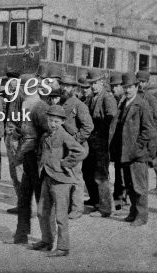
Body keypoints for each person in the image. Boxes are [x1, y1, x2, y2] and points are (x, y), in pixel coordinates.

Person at [31, 105, 86, 257]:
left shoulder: (63, 135)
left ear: (62, 122)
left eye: (56, 121)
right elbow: (42, 153)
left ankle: (63, 247)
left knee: (61, 215)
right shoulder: (45, 135)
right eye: (50, 120)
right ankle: (47, 241)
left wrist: (66, 163)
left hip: (61, 179)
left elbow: (80, 151)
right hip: (47, 177)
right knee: (42, 211)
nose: (52, 124)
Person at [6, 75, 49, 245]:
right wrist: (18, 132)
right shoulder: (26, 104)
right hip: (28, 159)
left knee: (41, 201)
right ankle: (21, 235)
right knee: (23, 198)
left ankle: (47, 239)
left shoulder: (40, 107)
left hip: (37, 161)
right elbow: (29, 130)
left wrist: (42, 156)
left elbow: (48, 133)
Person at [109, 73, 154, 226]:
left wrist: (137, 147)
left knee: (139, 187)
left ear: (136, 87)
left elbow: (149, 130)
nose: (127, 90)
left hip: (136, 154)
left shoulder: (141, 104)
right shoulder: (124, 103)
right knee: (130, 185)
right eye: (125, 87)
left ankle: (142, 216)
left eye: (130, 87)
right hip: (125, 154)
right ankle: (134, 212)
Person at [83, 69, 117, 217]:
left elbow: (112, 120)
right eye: (91, 83)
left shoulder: (107, 98)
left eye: (95, 83)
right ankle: (95, 200)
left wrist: (105, 139)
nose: (93, 86)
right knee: (87, 171)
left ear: (102, 83)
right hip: (91, 141)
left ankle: (105, 208)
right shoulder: (91, 97)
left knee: (101, 175)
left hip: (102, 142)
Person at [59, 74, 93, 220]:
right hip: (63, 147)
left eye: (68, 86)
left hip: (76, 148)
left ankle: (77, 208)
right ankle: (66, 207)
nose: (64, 88)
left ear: (73, 88)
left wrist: (75, 141)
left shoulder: (79, 105)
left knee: (76, 178)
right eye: (63, 85)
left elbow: (88, 127)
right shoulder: (61, 103)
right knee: (65, 176)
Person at [3, 71, 26, 214]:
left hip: (16, 138)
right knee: (13, 172)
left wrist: (17, 132)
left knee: (19, 172)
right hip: (10, 135)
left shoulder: (21, 96)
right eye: (8, 81)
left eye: (12, 81)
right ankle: (21, 204)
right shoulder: (10, 95)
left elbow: (26, 118)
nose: (9, 84)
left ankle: (26, 206)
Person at [109, 72, 128, 209]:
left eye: (116, 86)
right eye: (112, 86)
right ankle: (119, 196)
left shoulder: (127, 101)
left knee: (123, 171)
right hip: (116, 143)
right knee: (118, 170)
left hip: (125, 143)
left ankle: (121, 197)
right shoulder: (117, 101)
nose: (113, 89)